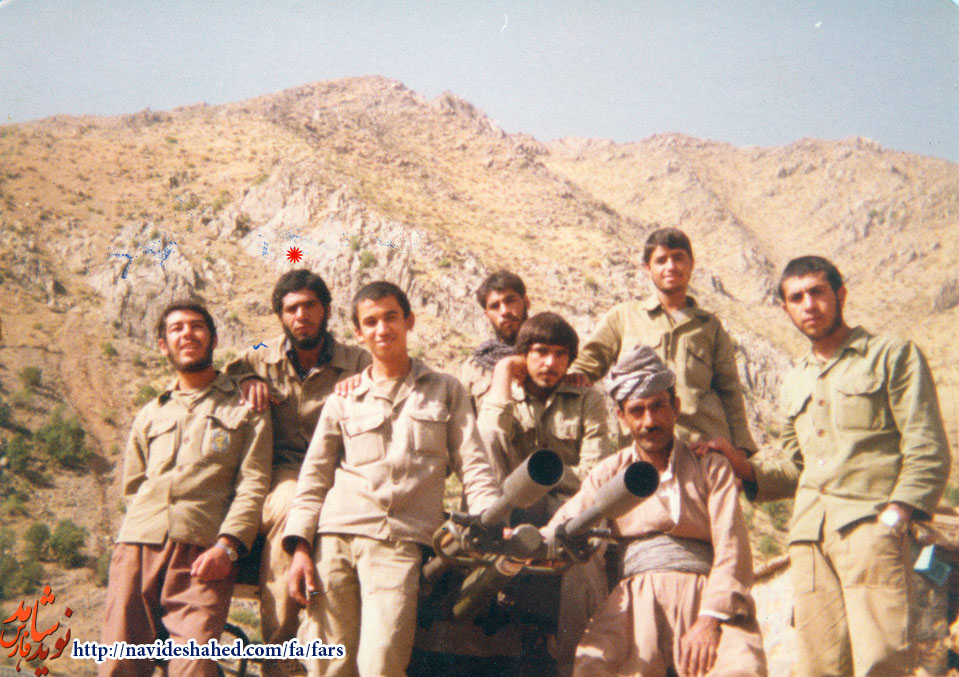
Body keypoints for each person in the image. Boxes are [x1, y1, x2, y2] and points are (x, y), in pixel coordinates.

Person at [699, 256, 951, 676]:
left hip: (871, 528)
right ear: (785, 308)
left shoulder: (890, 355)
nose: (809, 305)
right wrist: (743, 467)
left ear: (840, 294)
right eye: (796, 298)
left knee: (883, 661)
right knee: (819, 667)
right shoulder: (795, 379)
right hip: (809, 541)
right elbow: (797, 469)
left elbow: (927, 446)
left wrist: (896, 515)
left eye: (817, 292)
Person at [283, 281, 502, 677]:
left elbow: (474, 466)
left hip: (398, 542)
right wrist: (300, 547)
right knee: (328, 666)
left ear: (409, 321)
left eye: (391, 317)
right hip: (335, 539)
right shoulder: (343, 398)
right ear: (358, 333)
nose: (382, 328)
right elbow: (313, 477)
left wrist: (491, 520)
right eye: (371, 322)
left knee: (381, 662)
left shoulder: (445, 390)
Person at [547, 346, 767, 677]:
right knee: (594, 666)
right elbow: (569, 519)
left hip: (707, 597)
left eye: (658, 407)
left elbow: (732, 548)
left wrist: (709, 620)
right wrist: (531, 539)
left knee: (741, 668)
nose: (649, 421)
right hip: (634, 605)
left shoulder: (710, 466)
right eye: (637, 411)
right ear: (621, 418)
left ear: (676, 407)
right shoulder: (610, 472)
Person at [99, 301, 273, 677]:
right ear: (164, 346)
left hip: (203, 552)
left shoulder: (246, 406)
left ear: (213, 338)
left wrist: (228, 545)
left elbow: (253, 483)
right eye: (176, 328)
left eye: (196, 326)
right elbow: (134, 485)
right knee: (119, 663)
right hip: (138, 548)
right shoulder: (151, 413)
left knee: (192, 665)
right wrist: (135, 543)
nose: (187, 334)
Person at [224, 270, 369, 675]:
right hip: (284, 472)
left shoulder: (358, 362)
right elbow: (226, 374)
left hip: (342, 472)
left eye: (309, 306)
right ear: (281, 316)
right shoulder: (260, 358)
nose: (301, 315)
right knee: (291, 510)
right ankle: (282, 658)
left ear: (326, 310)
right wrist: (245, 380)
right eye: (291, 309)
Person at [477, 311, 610, 675]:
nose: (550, 363)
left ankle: (575, 665)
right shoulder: (503, 394)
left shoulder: (587, 400)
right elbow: (487, 441)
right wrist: (504, 372)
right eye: (540, 352)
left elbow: (594, 474)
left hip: (567, 510)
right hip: (510, 507)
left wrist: (541, 475)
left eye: (560, 354)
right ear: (523, 355)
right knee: (488, 439)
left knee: (585, 546)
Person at [568, 228, 756, 455]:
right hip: (643, 450)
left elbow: (730, 391)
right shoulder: (624, 316)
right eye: (661, 260)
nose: (671, 266)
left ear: (691, 264)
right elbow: (586, 365)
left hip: (701, 450)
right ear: (648, 268)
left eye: (678, 258)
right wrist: (573, 376)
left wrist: (741, 449)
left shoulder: (710, 326)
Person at [459, 270, 531, 410]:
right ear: (487, 316)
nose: (504, 311)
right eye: (495, 306)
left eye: (510, 300)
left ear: (526, 302)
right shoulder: (473, 368)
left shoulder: (551, 353)